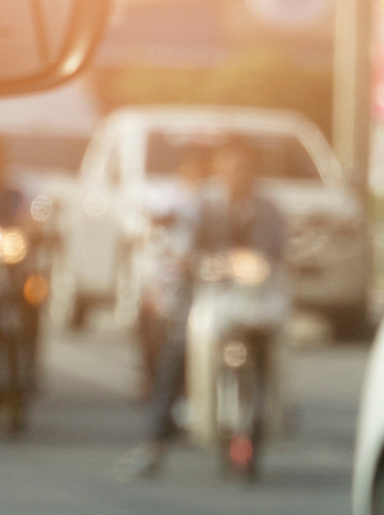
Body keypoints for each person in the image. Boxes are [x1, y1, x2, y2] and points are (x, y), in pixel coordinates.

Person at [115, 134, 286, 479]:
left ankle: (272, 418)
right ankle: (153, 444)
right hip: (207, 298)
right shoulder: (201, 206)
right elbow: (183, 245)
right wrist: (188, 261)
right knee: (177, 352)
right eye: (231, 166)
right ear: (219, 169)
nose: (238, 174)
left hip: (254, 303)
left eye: (244, 167)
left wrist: (259, 264)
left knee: (274, 354)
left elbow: (276, 252)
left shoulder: (269, 209)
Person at [136, 140, 215, 400]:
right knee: (155, 330)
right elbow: (153, 218)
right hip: (165, 274)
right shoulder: (167, 195)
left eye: (200, 168)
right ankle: (149, 377)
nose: (195, 173)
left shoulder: (210, 200)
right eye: (191, 167)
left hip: (198, 275)